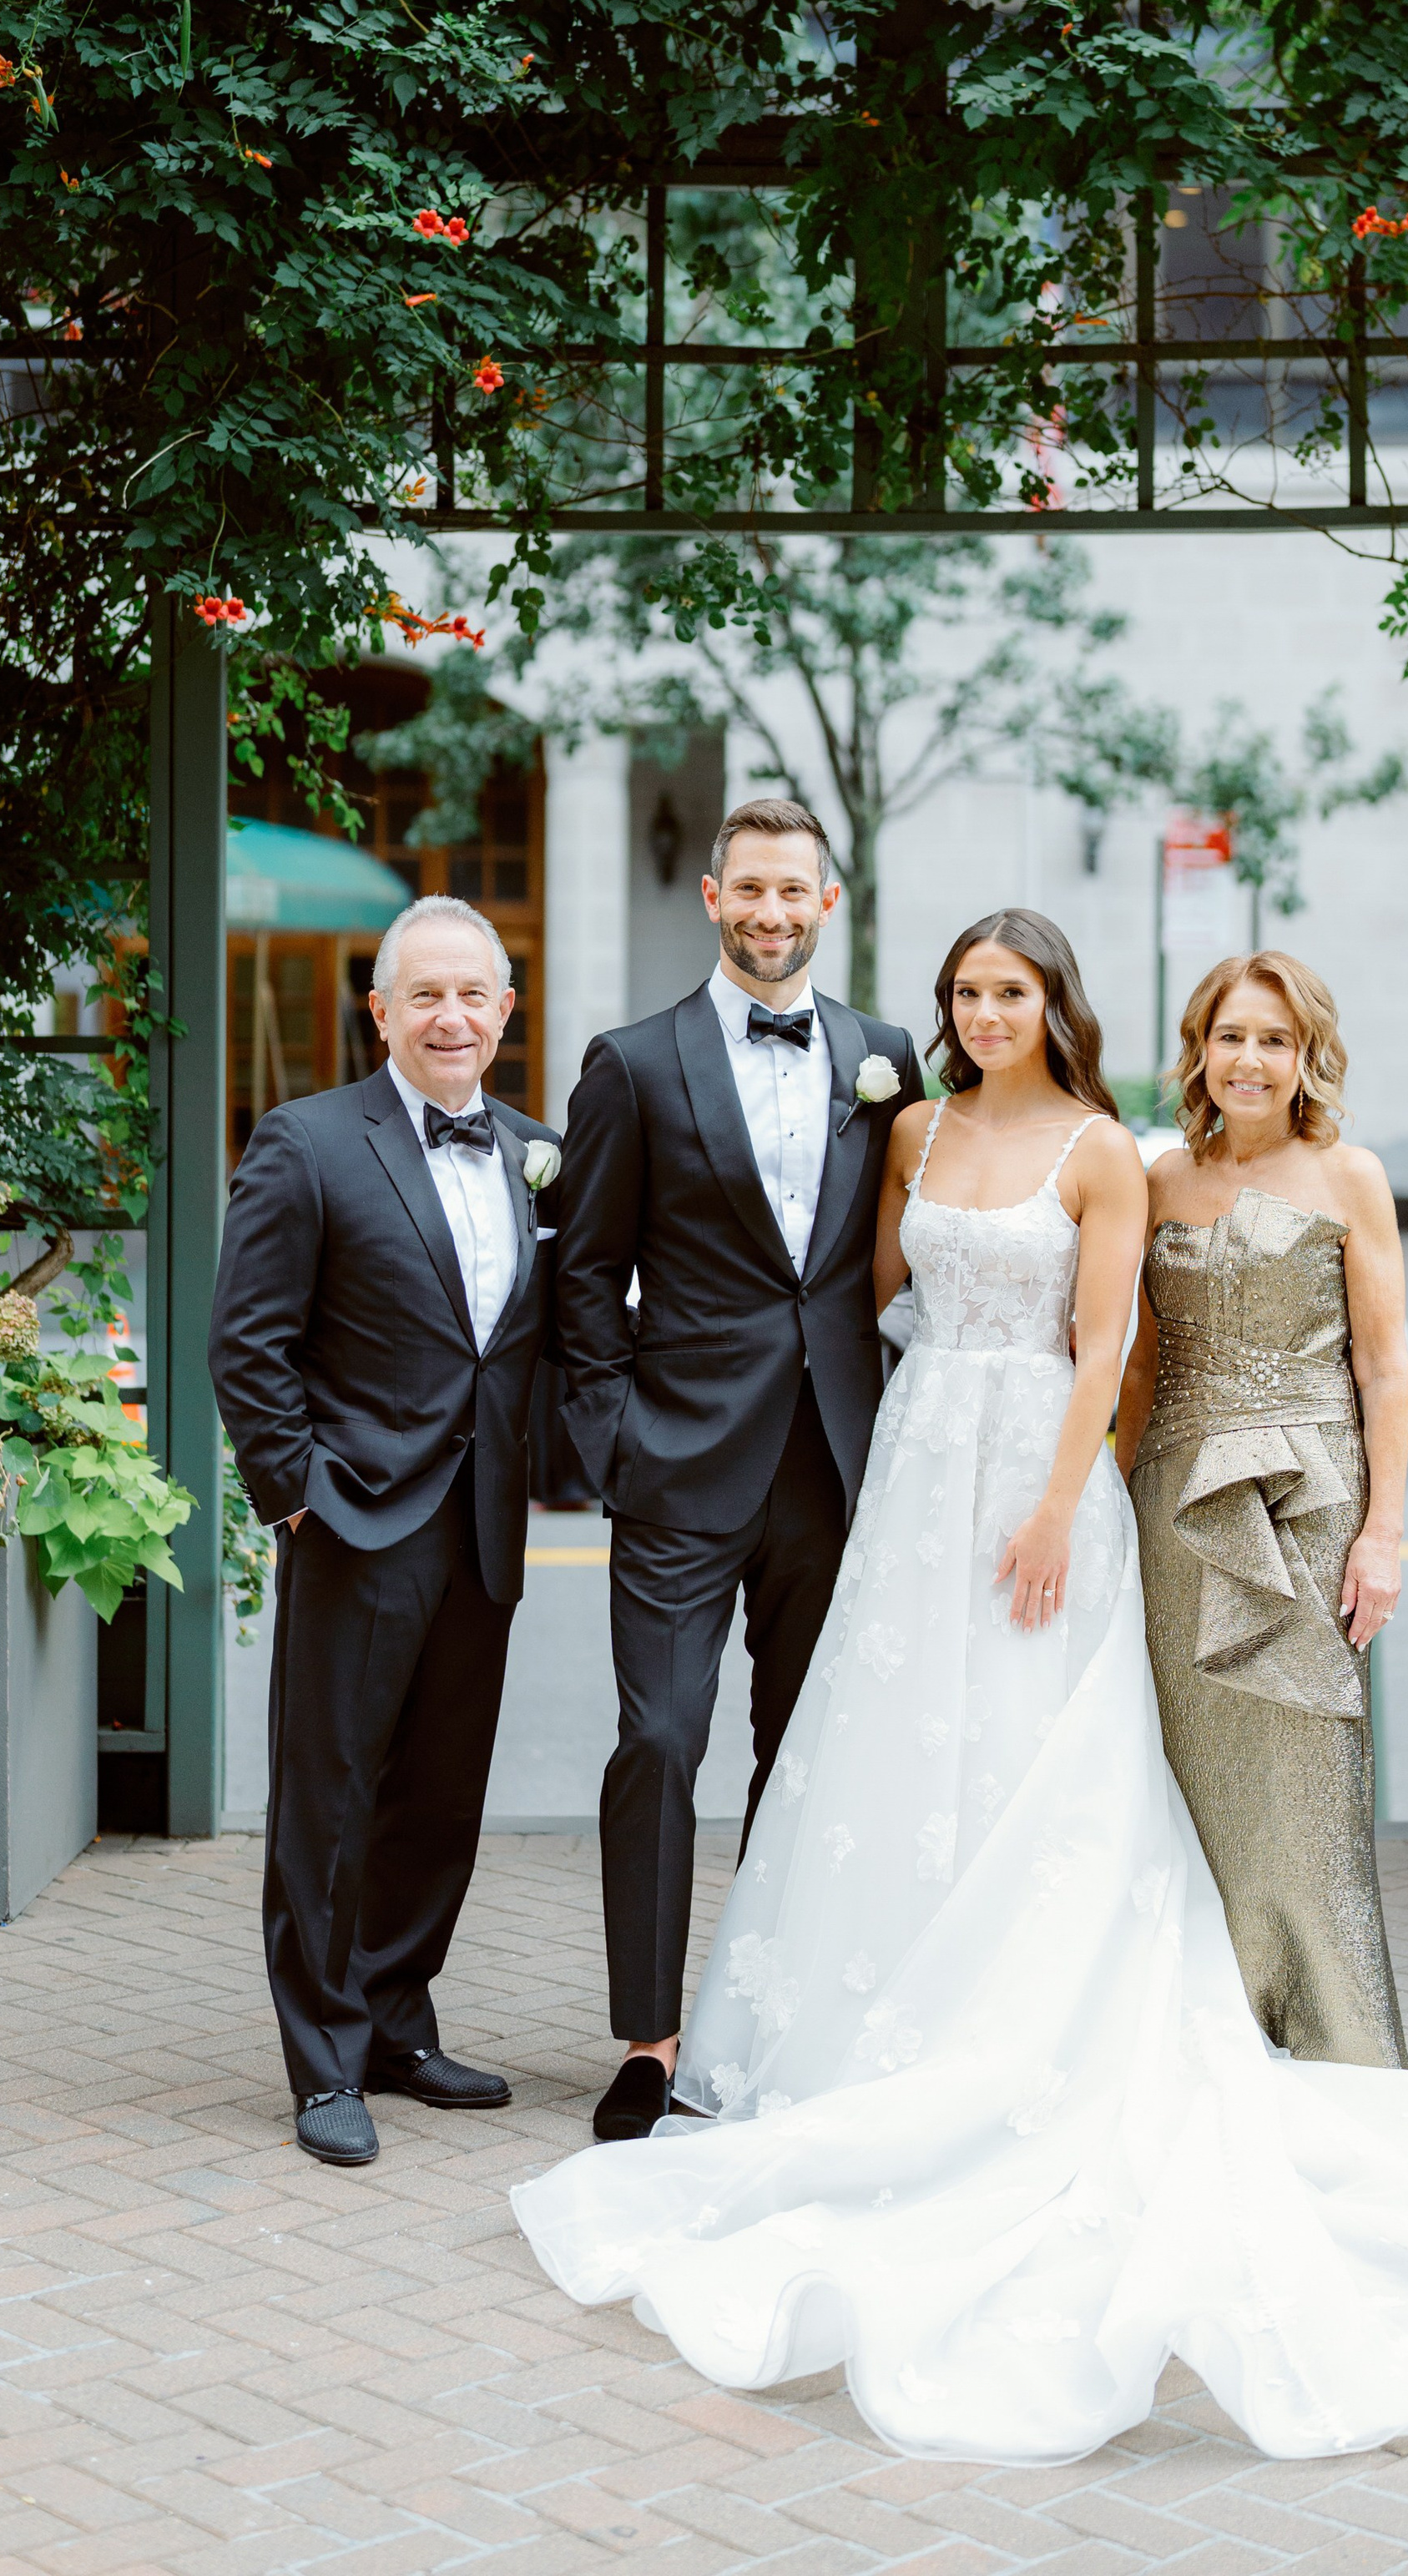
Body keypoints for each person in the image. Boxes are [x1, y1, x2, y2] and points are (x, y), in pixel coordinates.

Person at [511, 909, 1408, 2468]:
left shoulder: (1119, 1154)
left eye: (1015, 992)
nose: (988, 1014)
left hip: (1086, 1476)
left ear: (1060, 1004)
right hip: (919, 1470)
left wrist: (1076, 1506)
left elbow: (1118, 1340)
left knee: (1109, 1759)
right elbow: (859, 1284)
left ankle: (1309, 2045)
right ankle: (873, 2033)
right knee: (895, 1749)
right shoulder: (910, 1124)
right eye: (969, 992)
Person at [553, 795, 922, 2144]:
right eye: (749, 890)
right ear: (712, 898)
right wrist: (611, 1446)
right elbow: (583, 1274)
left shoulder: (886, 1058)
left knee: (804, 1754)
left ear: (830, 903)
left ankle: (765, 2014)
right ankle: (649, 2038)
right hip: (678, 1464)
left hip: (837, 1463)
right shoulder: (633, 1065)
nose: (773, 913)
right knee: (658, 1739)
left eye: (796, 892)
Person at [209, 896, 560, 2169]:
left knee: (439, 1795)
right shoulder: (305, 1144)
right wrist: (297, 1494)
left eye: (473, 995)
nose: (451, 1016)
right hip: (356, 1516)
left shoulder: (538, 1150)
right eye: (425, 996)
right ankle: (321, 2062)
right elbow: (246, 1345)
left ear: (506, 1011)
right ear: (382, 1013)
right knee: (332, 1794)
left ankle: (398, 2023)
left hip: (482, 1527)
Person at [1115, 950, 1408, 2065]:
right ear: (1201, 1048)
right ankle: (1220, 2048)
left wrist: (1381, 1537)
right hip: (1176, 1515)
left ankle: (1340, 2050)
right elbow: (1139, 1372)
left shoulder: (1351, 1177)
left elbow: (1384, 1369)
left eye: (1274, 1041)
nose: (1251, 1059)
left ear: (1306, 1059)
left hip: (1311, 1507)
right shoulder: (1159, 1182)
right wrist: (1110, 1509)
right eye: (1232, 1036)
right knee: (1191, 1792)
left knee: (1310, 1794)